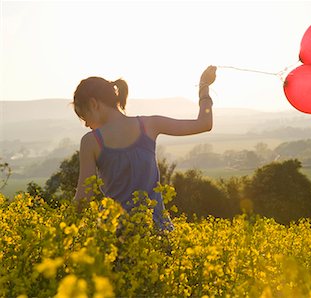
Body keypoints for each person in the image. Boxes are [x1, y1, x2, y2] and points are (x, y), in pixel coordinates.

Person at [72, 65, 216, 231]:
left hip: (116, 238)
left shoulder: (90, 142)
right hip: (158, 232)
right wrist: (204, 87)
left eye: (84, 116)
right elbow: (204, 124)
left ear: (93, 104)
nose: (86, 124)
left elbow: (84, 198)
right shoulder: (150, 125)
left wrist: (59, 235)